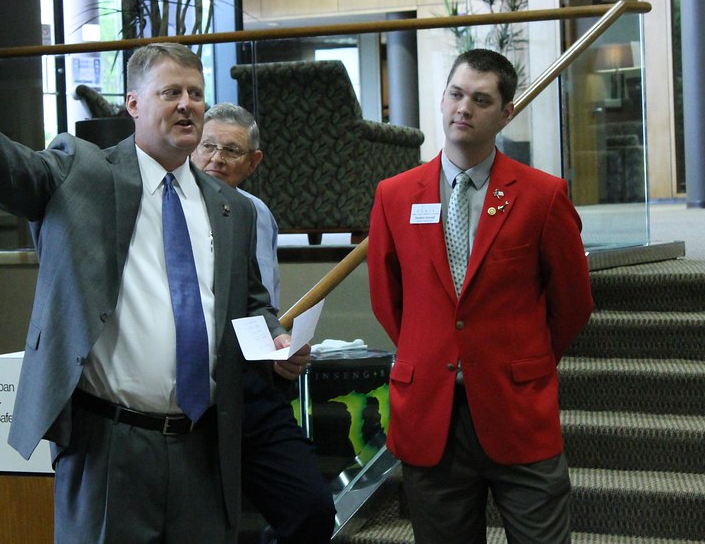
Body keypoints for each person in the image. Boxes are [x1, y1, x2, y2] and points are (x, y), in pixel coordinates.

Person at [0, 34, 308, 543]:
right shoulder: (82, 172)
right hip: (108, 446)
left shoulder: (233, 209)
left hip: (205, 447)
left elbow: (250, 302)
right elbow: (1, 165)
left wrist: (273, 341)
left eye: (195, 93)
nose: (187, 105)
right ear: (133, 104)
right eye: (170, 93)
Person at [366, 48, 594, 543]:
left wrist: (524, 357)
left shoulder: (543, 195)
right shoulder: (395, 195)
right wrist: (432, 350)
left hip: (517, 408)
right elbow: (388, 299)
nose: (463, 108)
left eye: (481, 99)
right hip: (431, 415)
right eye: (455, 93)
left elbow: (573, 302)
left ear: (506, 112)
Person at [192, 103, 336, 543]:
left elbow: (260, 302)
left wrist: (279, 343)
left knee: (311, 508)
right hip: (189, 391)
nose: (216, 159)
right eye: (208, 146)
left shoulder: (255, 214)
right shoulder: (168, 206)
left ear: (252, 162)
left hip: (252, 389)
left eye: (231, 151)